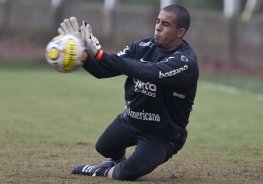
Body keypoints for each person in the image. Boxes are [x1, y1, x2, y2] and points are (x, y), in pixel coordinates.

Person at [58, 4, 199, 181]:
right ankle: (115, 162)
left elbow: (149, 72)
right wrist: (83, 54)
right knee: (104, 147)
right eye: (157, 21)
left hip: (163, 134)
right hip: (132, 120)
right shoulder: (140, 46)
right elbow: (104, 71)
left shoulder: (185, 62)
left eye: (166, 24)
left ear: (180, 32)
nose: (158, 27)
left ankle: (99, 170)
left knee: (127, 173)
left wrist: (101, 54)